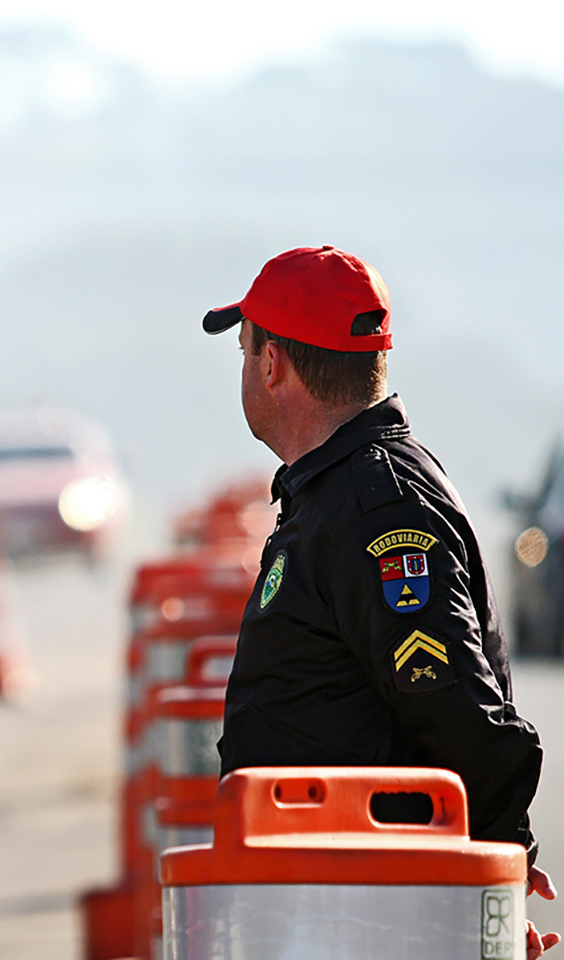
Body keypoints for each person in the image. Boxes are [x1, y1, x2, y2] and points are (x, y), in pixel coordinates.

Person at [203, 245, 559, 958]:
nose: (245, 367)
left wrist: (487, 887)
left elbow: (461, 714)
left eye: (245, 349)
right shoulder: (340, 494)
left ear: (272, 365)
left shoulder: (376, 511)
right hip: (331, 901)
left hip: (370, 913)